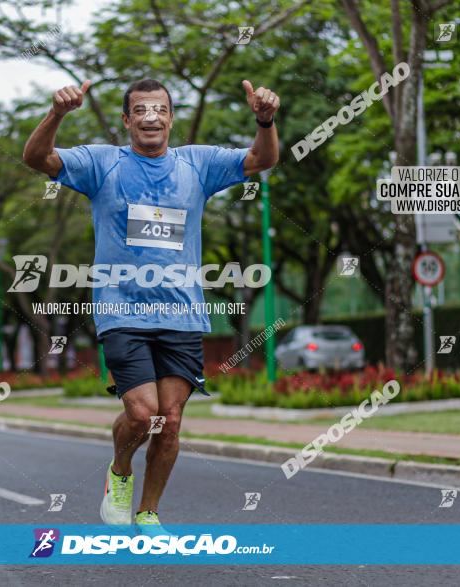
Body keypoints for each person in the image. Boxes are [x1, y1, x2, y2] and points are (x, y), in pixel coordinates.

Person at [23, 78, 279, 534]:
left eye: (159, 109)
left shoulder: (197, 164)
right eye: (140, 110)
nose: (150, 117)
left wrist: (265, 120)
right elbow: (37, 158)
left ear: (171, 118)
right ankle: (120, 471)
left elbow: (262, 158)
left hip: (182, 314)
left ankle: (148, 511)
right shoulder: (103, 163)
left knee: (171, 421)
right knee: (143, 414)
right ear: (126, 121)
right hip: (121, 312)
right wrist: (57, 114)